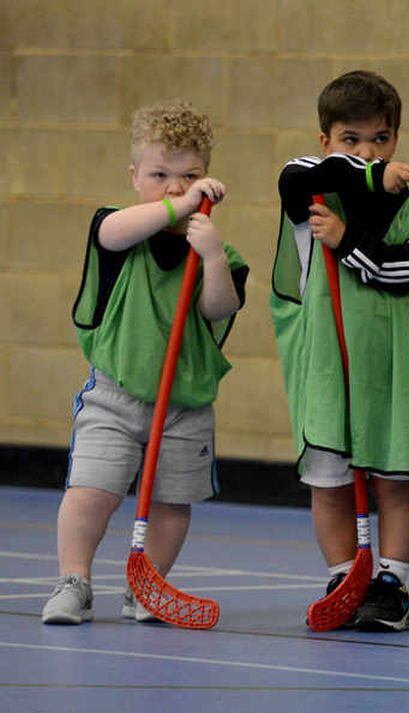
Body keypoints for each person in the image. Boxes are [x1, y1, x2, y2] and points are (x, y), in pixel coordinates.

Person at [43, 99, 248, 625]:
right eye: (160, 174)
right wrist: (178, 210)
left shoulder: (217, 250)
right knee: (92, 490)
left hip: (184, 404)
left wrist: (214, 258)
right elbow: (113, 233)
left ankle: (147, 585)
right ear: (135, 177)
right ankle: (75, 580)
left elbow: (219, 309)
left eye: (189, 176)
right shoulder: (116, 228)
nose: (175, 187)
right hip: (116, 394)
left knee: (172, 503)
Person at [271, 70, 409, 631]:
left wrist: (346, 241)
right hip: (326, 373)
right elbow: (293, 172)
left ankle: (390, 583)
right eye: (351, 140)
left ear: (397, 139)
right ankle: (342, 575)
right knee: (328, 485)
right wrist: (366, 180)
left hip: (396, 374)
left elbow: (407, 269)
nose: (368, 151)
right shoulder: (308, 196)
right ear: (327, 141)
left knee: (397, 482)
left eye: (380, 139)